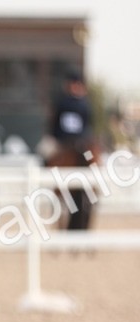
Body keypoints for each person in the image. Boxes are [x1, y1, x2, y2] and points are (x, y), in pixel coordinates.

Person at [48, 71, 97, 230]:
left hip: (80, 142)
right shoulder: (61, 102)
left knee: (91, 157)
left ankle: (95, 184)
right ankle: (47, 183)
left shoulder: (84, 104)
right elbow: (54, 124)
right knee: (46, 154)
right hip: (61, 141)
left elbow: (88, 126)